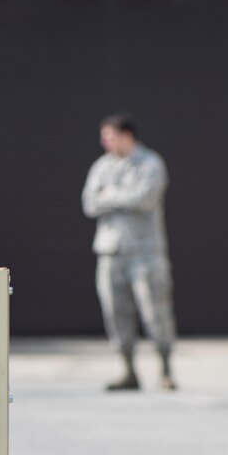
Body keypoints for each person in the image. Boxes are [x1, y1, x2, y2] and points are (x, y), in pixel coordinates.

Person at [81, 112, 177, 391]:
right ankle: (128, 370)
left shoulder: (150, 164)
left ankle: (166, 369)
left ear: (127, 136)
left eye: (110, 137)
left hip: (146, 251)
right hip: (110, 251)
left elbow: (144, 199)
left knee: (155, 312)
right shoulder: (102, 167)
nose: (105, 143)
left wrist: (109, 196)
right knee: (115, 312)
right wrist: (117, 198)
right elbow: (89, 203)